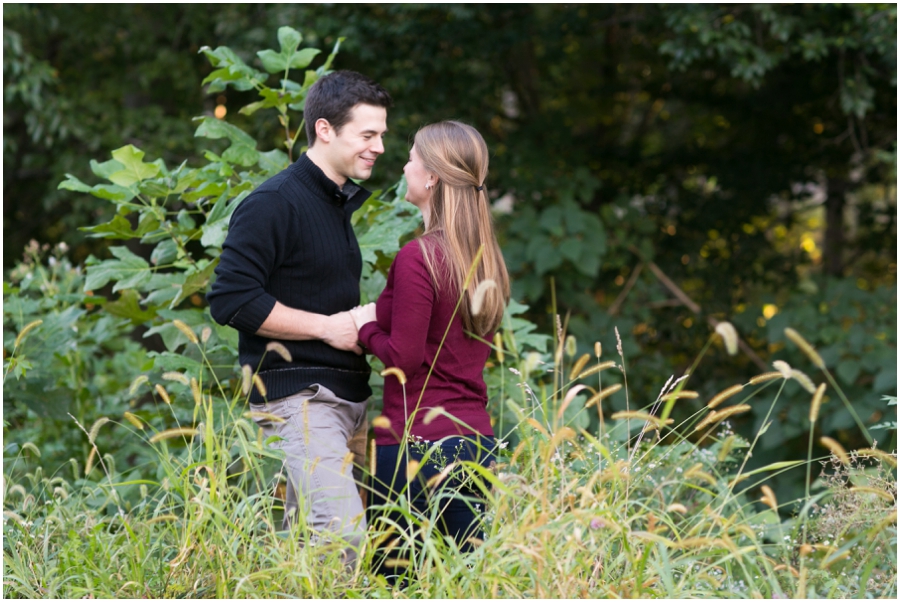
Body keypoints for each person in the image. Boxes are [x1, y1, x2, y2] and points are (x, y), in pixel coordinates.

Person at [206, 70, 391, 565]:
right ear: (325, 129)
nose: (378, 147)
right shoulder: (273, 202)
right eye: (367, 135)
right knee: (342, 538)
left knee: (309, 556)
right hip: (300, 401)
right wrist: (327, 327)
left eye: (382, 136)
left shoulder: (335, 203)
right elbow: (230, 299)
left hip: (349, 398)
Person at [349, 120, 510, 576]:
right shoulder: (484, 257)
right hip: (475, 445)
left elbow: (404, 357)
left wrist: (364, 328)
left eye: (412, 157)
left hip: (413, 446)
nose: (404, 166)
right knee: (463, 584)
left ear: (432, 177)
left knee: (398, 585)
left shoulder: (419, 256)